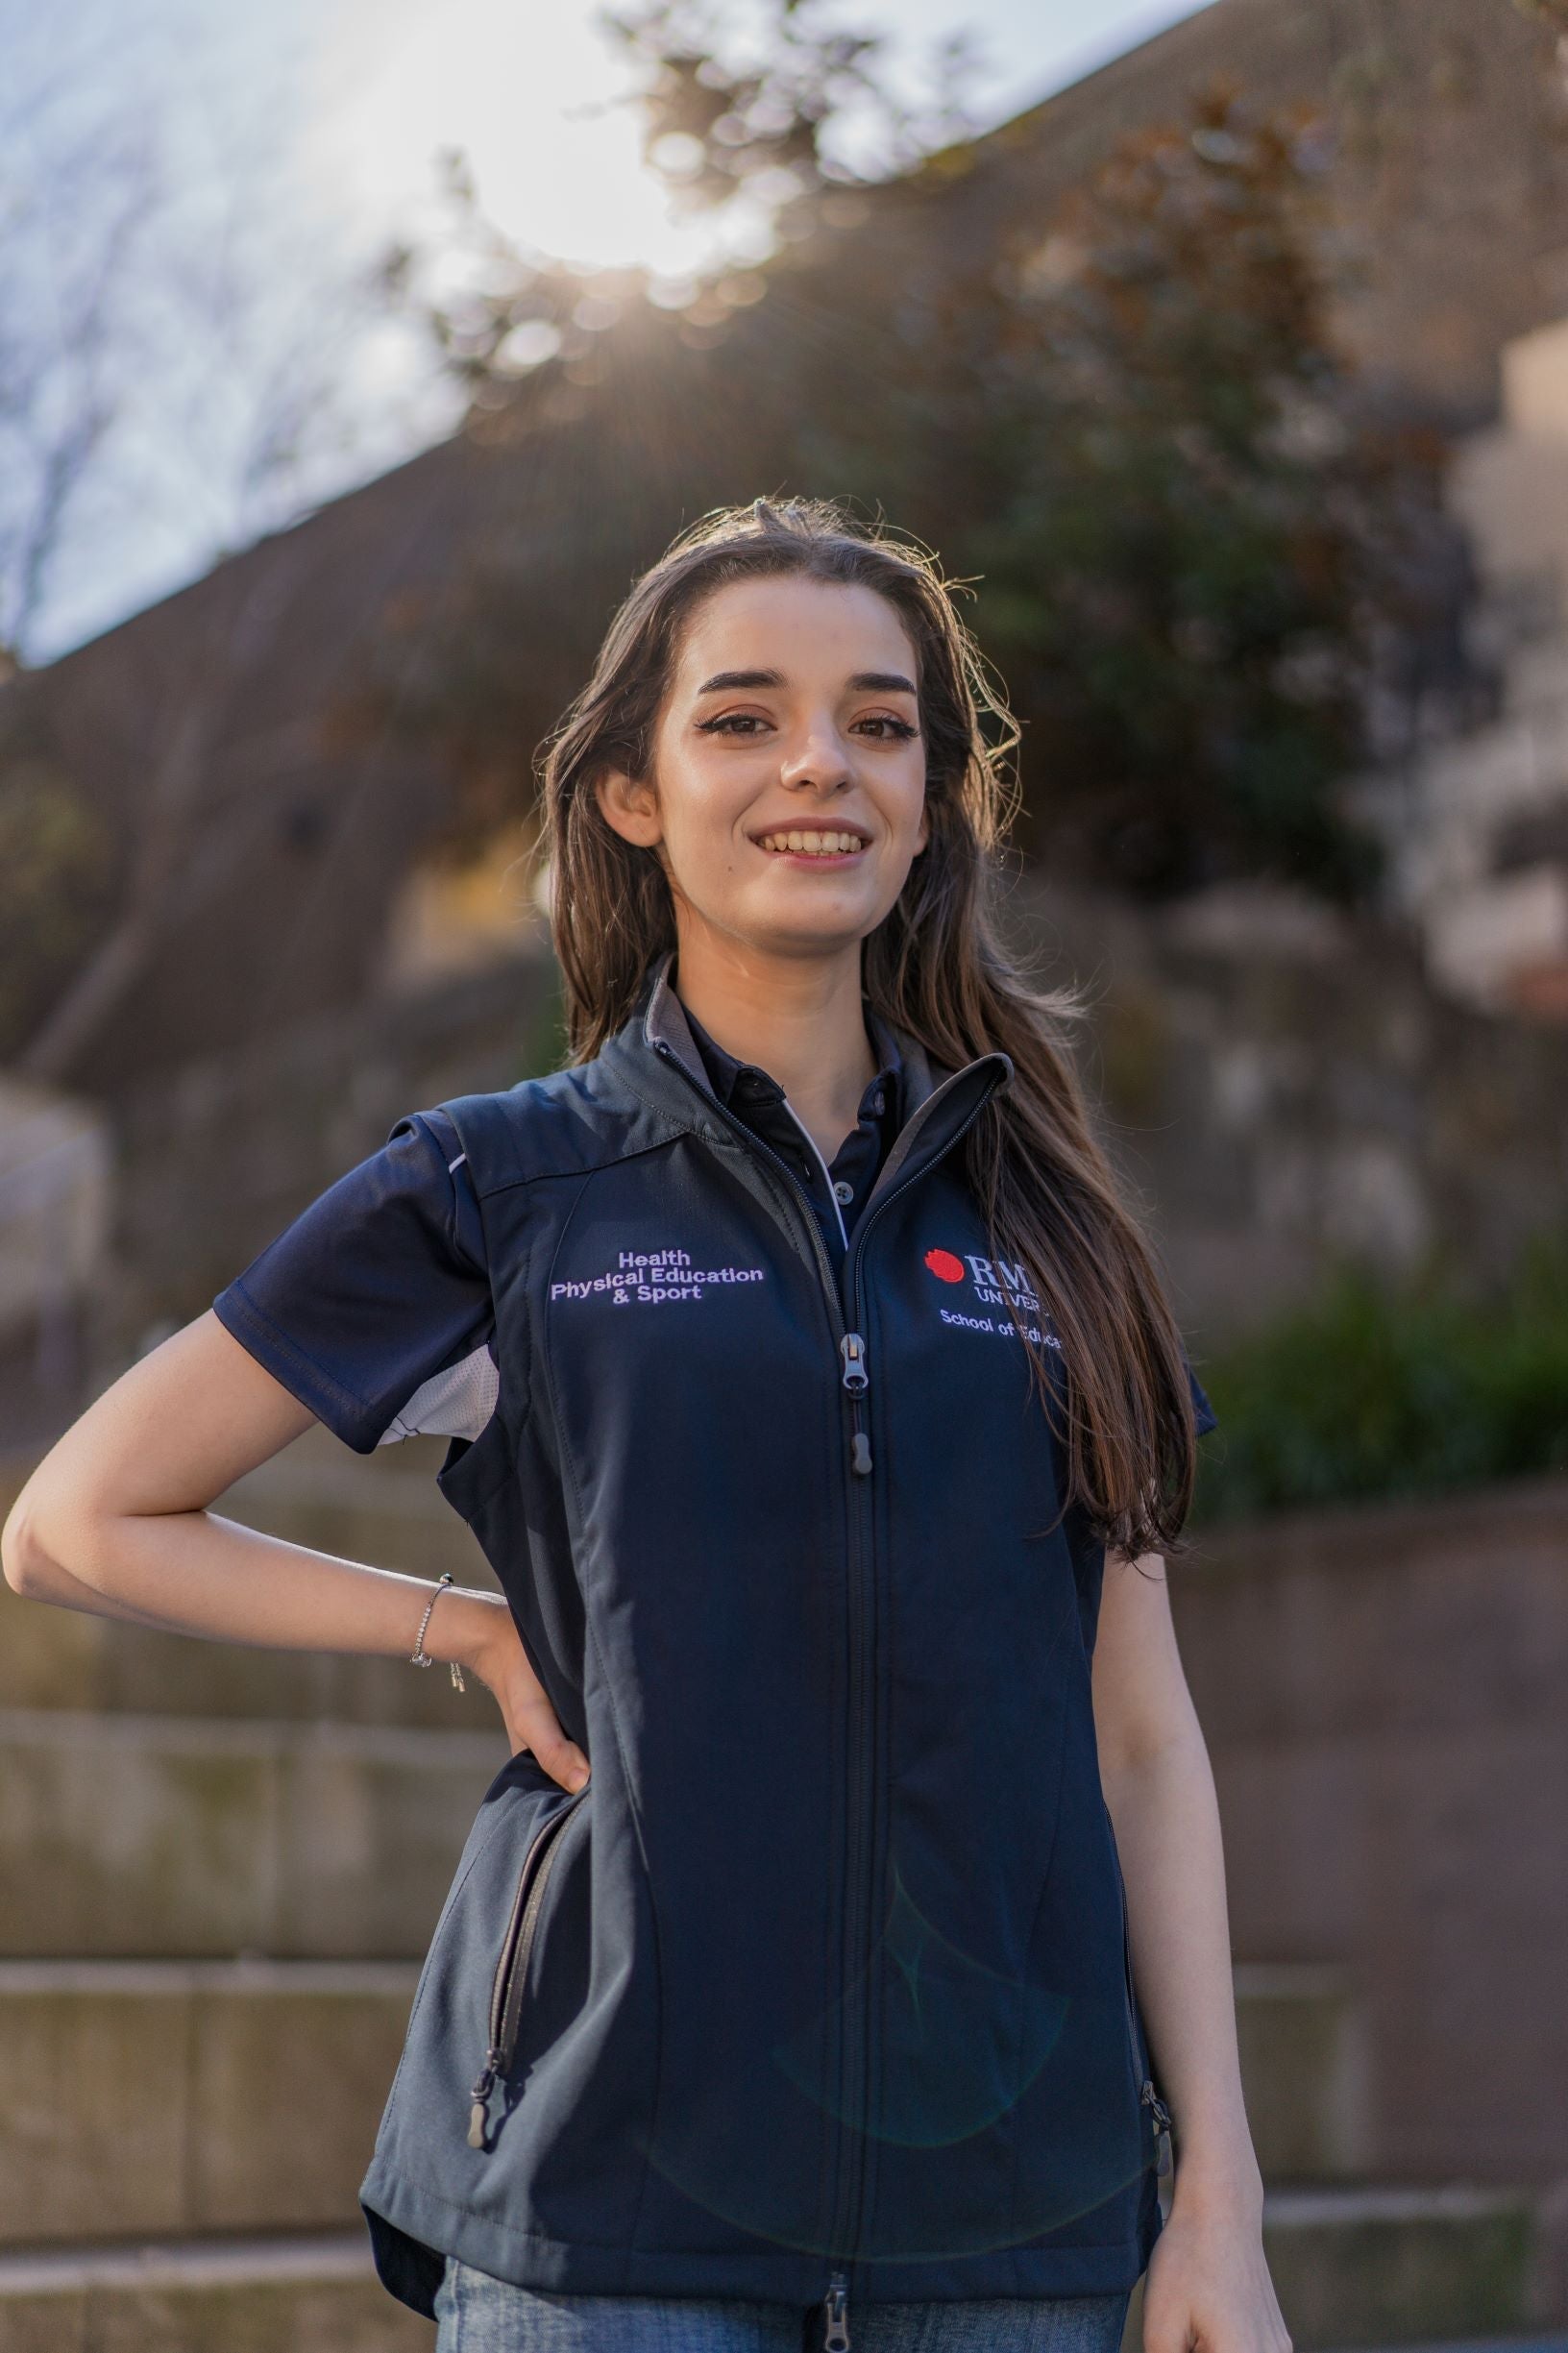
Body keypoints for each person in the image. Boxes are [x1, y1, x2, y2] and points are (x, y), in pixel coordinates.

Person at [1, 496, 1291, 2353]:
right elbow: (79, 1514)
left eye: (878, 721)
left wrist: (1219, 2203)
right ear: (631, 790)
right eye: (743, 716)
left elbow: (1145, 1735)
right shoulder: (504, 1186)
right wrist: (458, 1623)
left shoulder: (1054, 1226)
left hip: (1023, 2235)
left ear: (931, 798)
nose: (819, 767)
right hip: (613, 2238)